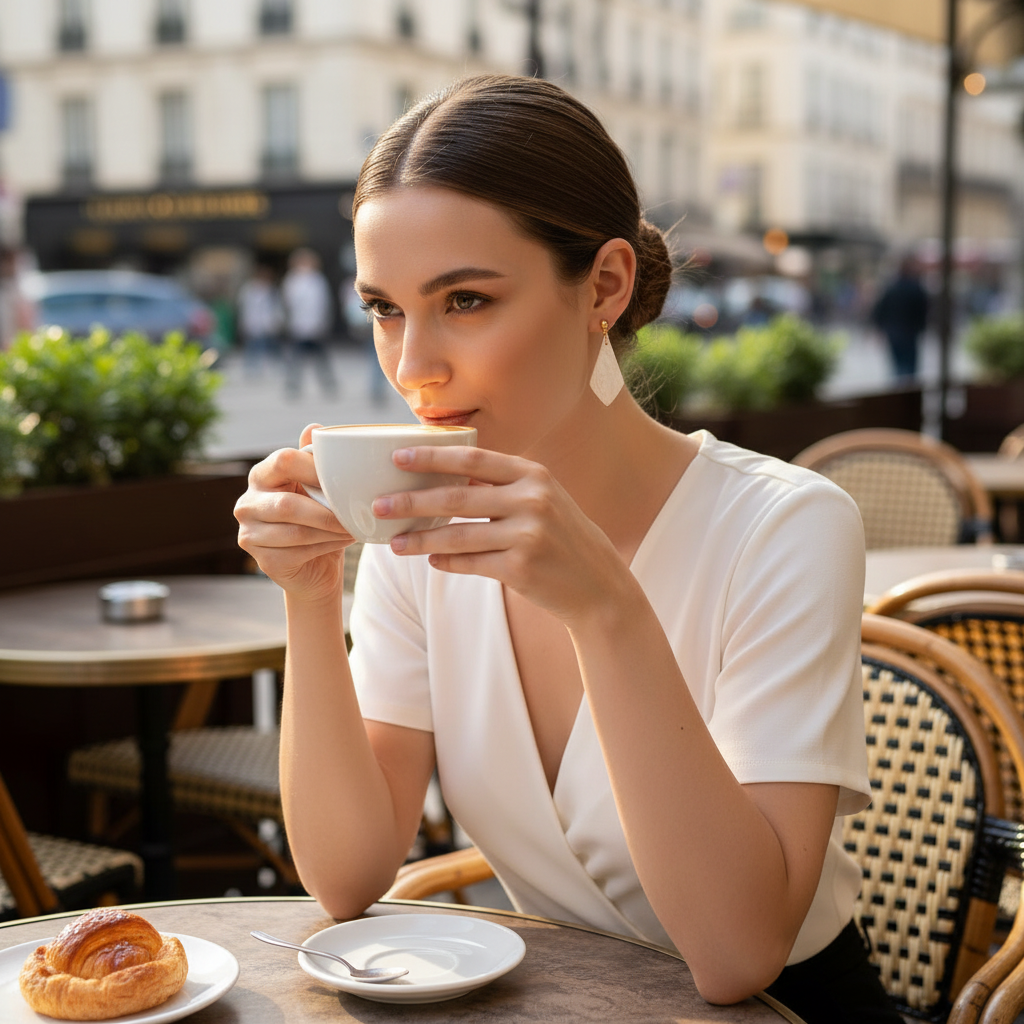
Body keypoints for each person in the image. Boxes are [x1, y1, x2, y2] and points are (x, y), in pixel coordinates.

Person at [235, 75, 898, 1023]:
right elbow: (344, 876)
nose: (412, 364)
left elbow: (736, 954)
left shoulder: (784, 526)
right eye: (384, 308)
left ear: (605, 286)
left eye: (464, 300)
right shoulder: (417, 536)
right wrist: (306, 593)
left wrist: (606, 608)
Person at [281, 247, 337, 399]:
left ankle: (329, 385)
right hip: (298, 326)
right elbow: (288, 303)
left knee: (321, 359)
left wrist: (322, 323)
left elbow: (323, 303)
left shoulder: (318, 280)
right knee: (295, 360)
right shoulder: (292, 280)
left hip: (316, 327)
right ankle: (292, 387)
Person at [871, 257, 929, 381]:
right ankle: (907, 395)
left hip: (894, 333)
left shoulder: (891, 288)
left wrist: (879, 329)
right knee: (909, 369)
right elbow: (923, 312)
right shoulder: (915, 288)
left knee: (898, 368)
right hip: (909, 334)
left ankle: (900, 393)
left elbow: (879, 310)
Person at [236, 264, 283, 378]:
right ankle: (251, 369)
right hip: (253, 323)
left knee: (269, 346)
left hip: (267, 323)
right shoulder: (249, 290)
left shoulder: (271, 290)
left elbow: (276, 307)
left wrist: (277, 321)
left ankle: (272, 368)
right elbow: (243, 306)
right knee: (252, 347)